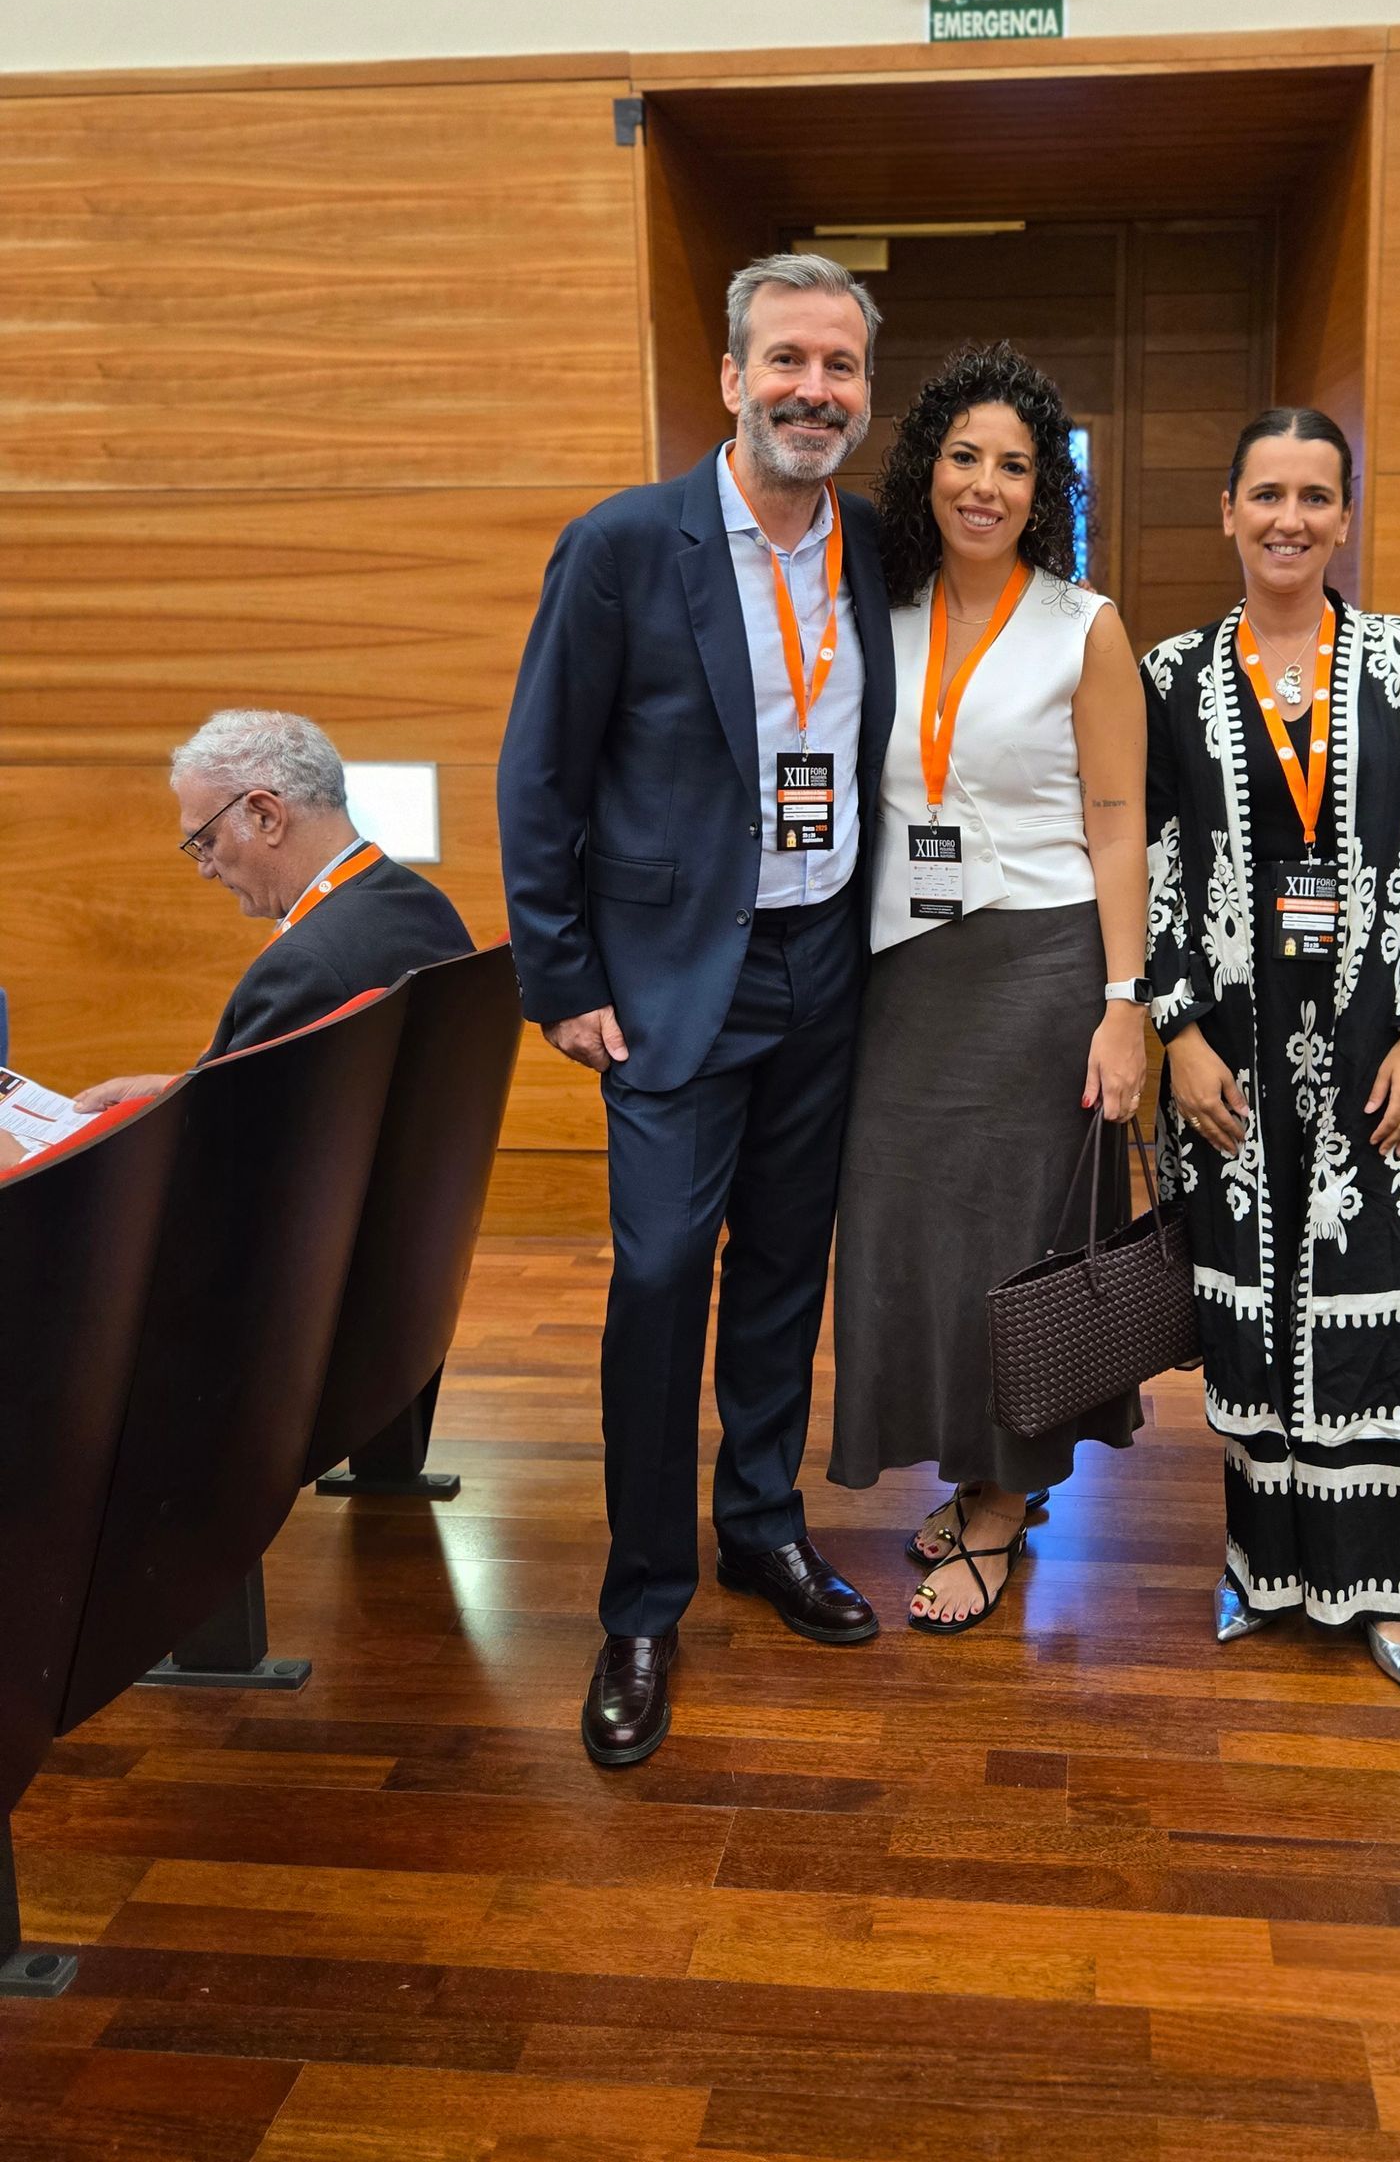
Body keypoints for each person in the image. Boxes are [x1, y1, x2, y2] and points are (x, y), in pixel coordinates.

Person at [497, 251, 896, 1770]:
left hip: (826, 968)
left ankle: (763, 1529)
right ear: (730, 378)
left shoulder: (869, 543)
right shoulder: (622, 546)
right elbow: (538, 774)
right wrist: (563, 979)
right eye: (787, 359)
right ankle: (644, 1598)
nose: (815, 389)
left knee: (790, 1267)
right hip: (671, 987)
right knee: (664, 1277)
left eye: (841, 367)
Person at [1140, 407, 1400, 1702]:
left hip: (1375, 1048)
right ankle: (1267, 1563)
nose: (1290, 517)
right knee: (1252, 1303)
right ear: (1226, 511)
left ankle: (1392, 1583)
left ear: (1345, 517)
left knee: (1381, 1297)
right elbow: (1162, 864)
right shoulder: (1171, 675)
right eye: (1266, 493)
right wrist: (1171, 1029)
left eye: (1316, 496)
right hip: (1227, 1055)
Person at [829, 343, 1149, 1631]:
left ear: (1043, 489)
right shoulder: (876, 610)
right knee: (913, 1237)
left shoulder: (1086, 623)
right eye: (966, 455)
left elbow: (1121, 818)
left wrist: (1128, 998)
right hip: (903, 973)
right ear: (927, 468)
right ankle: (974, 1474)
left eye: (1017, 465)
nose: (987, 484)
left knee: (1015, 1246)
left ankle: (1001, 1501)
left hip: (1041, 963)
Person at [73, 707, 472, 1112]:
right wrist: (179, 1094)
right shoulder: (419, 902)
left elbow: (239, 1154)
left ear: (266, 816)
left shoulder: (306, 966)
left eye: (207, 840)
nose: (205, 869)